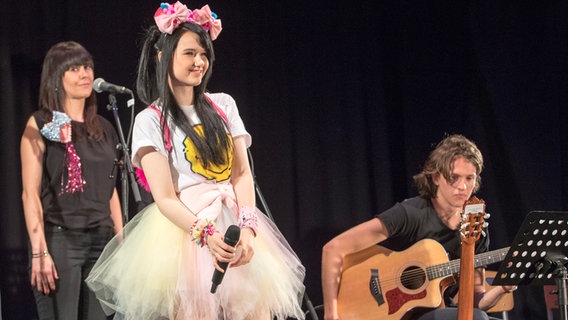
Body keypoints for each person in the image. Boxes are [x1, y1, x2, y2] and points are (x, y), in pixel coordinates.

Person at [85, 2, 306, 320]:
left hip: (233, 225)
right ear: (164, 57)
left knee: (254, 311)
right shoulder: (152, 120)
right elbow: (164, 198)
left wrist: (247, 227)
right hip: (186, 234)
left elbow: (242, 174)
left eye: (204, 54)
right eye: (190, 53)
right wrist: (208, 236)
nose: (199, 61)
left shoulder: (223, 105)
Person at [321, 134, 518, 320]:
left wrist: (503, 288)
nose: (463, 187)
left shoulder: (475, 227)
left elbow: (475, 302)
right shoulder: (412, 213)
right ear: (436, 178)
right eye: (454, 177)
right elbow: (333, 249)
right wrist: (332, 313)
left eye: (470, 178)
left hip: (440, 312)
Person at [20, 41, 123, 319]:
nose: (85, 74)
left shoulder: (105, 128)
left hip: (101, 241)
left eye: (87, 66)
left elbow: (110, 189)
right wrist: (39, 252)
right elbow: (29, 193)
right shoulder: (40, 123)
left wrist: (121, 240)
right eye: (75, 68)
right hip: (60, 239)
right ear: (56, 77)